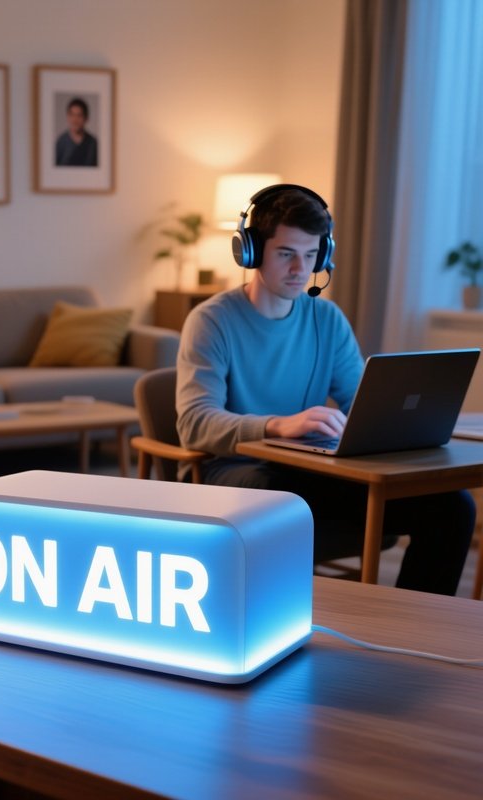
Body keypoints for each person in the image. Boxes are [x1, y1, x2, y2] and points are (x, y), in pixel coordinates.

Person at [176, 184, 475, 596]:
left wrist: (395, 427)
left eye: (312, 255)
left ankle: (410, 630)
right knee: (283, 499)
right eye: (286, 254)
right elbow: (195, 423)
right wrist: (278, 425)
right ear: (250, 251)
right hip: (234, 470)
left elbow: (361, 399)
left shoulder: (327, 319)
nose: (301, 268)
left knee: (452, 507)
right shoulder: (212, 321)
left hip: (311, 470)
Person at [55, 97, 98, 167]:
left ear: (86, 118)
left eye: (79, 115)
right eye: (72, 115)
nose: (75, 120)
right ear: (68, 117)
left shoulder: (93, 143)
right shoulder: (60, 142)